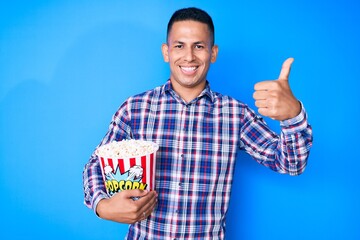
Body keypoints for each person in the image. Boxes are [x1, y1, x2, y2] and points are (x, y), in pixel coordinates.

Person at [83, 7, 313, 239]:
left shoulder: (236, 115)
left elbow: (290, 164)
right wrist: (102, 206)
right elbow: (95, 163)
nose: (189, 56)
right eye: (179, 45)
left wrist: (292, 116)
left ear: (213, 53)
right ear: (166, 52)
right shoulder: (135, 108)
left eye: (199, 46)